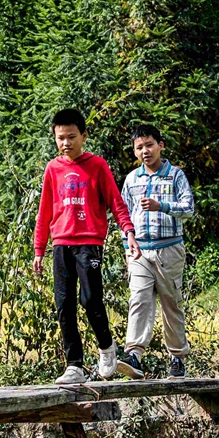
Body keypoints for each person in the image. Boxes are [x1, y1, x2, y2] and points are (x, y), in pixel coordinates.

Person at [33, 109, 142, 384]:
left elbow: (116, 202)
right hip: (60, 244)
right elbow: (44, 212)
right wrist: (38, 250)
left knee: (91, 299)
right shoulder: (53, 169)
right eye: (60, 138)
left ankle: (107, 349)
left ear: (84, 135)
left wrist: (128, 231)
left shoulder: (97, 165)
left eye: (71, 137)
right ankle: (74, 365)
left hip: (89, 242)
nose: (66, 143)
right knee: (64, 303)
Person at [117, 125, 194, 379]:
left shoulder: (175, 175)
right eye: (139, 147)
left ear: (161, 145)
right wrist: (128, 241)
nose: (145, 151)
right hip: (139, 250)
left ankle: (177, 357)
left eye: (149, 145)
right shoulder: (132, 179)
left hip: (169, 249)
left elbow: (188, 207)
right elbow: (123, 214)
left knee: (171, 303)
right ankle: (134, 355)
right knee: (139, 300)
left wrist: (161, 205)